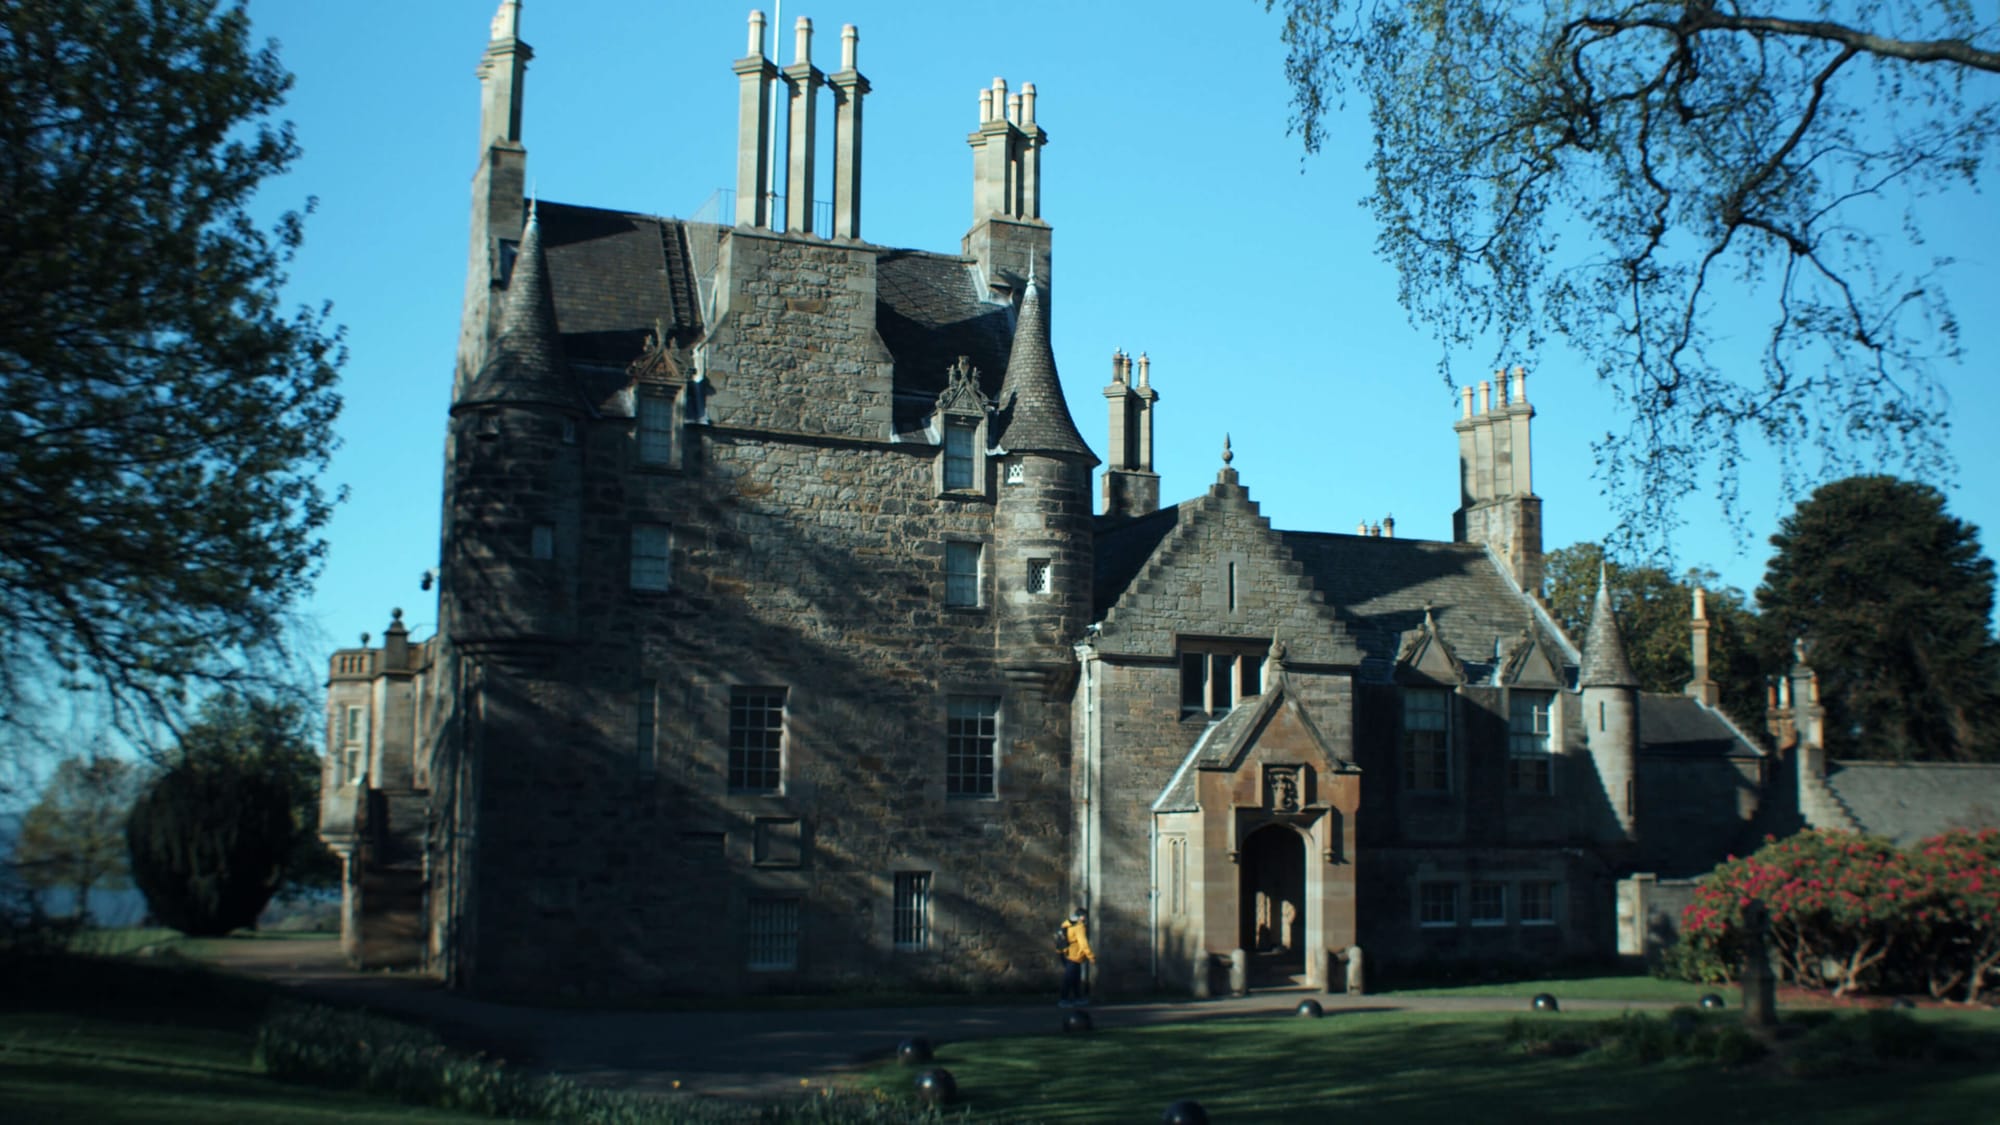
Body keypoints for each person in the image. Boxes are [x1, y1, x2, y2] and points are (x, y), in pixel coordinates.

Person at [1058, 907, 1094, 1007]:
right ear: (1082, 916)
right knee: (1069, 978)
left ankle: (1078, 998)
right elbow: (1083, 943)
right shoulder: (1079, 926)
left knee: (1075, 978)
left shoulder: (1067, 922)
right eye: (1085, 916)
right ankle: (1063, 999)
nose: (1085, 919)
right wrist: (1091, 956)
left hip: (1064, 953)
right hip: (1074, 955)